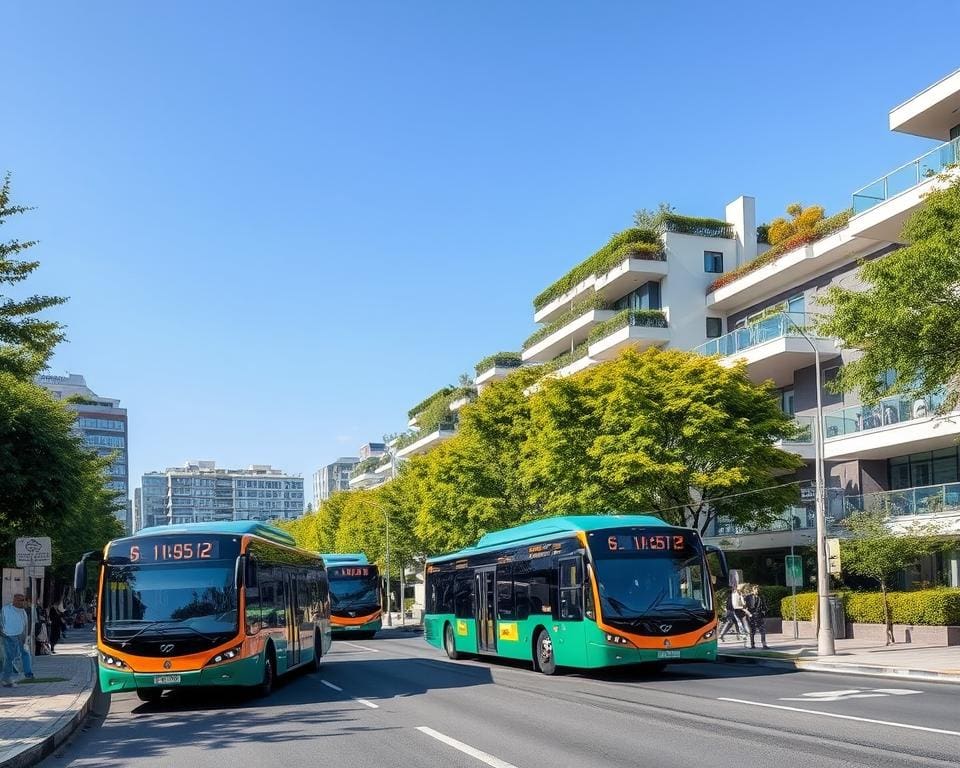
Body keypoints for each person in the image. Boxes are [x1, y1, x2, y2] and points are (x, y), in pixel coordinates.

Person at [1, 594, 35, 686]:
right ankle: (6, 678)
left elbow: (25, 624)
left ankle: (28, 674)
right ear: (14, 600)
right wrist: (3, 633)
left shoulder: (23, 611)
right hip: (9, 635)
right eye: (20, 600)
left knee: (25, 653)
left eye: (23, 600)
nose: (22, 602)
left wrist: (26, 637)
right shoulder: (6, 609)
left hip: (21, 635)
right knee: (10, 657)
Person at [745, 585, 769, 649]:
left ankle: (764, 644)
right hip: (751, 616)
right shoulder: (748, 597)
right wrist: (748, 614)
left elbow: (765, 606)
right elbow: (744, 607)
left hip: (759, 615)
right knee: (752, 631)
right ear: (753, 590)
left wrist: (764, 611)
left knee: (762, 630)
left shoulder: (761, 597)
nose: (757, 591)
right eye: (756, 590)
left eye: (758, 590)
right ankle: (752, 645)